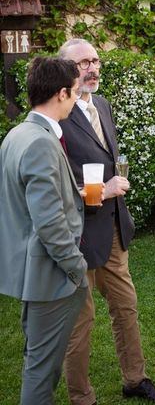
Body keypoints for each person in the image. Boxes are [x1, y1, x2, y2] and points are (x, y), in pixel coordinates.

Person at [58, 39, 155, 403]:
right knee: (80, 322)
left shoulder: (103, 106)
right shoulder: (57, 116)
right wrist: (100, 190)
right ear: (66, 71)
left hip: (111, 229)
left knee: (126, 306)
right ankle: (82, 397)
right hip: (75, 233)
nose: (92, 68)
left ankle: (135, 379)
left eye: (95, 60)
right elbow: (54, 182)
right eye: (82, 63)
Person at [0, 57, 88, 403]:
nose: (77, 100)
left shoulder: (17, 134)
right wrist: (75, 267)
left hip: (31, 273)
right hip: (49, 279)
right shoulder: (39, 141)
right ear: (61, 93)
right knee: (41, 372)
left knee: (37, 363)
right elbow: (48, 221)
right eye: (75, 92)